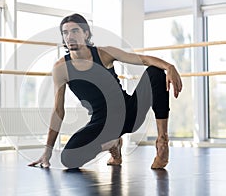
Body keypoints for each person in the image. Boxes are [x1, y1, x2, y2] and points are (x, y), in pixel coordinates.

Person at [28, 13, 182, 169]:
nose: (70, 36)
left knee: (155, 73)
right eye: (65, 33)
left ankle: (162, 140)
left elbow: (142, 59)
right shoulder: (61, 69)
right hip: (102, 124)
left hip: (130, 112)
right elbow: (58, 111)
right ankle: (112, 144)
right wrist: (47, 151)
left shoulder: (103, 53)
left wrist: (170, 67)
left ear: (85, 34)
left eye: (75, 31)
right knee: (68, 158)